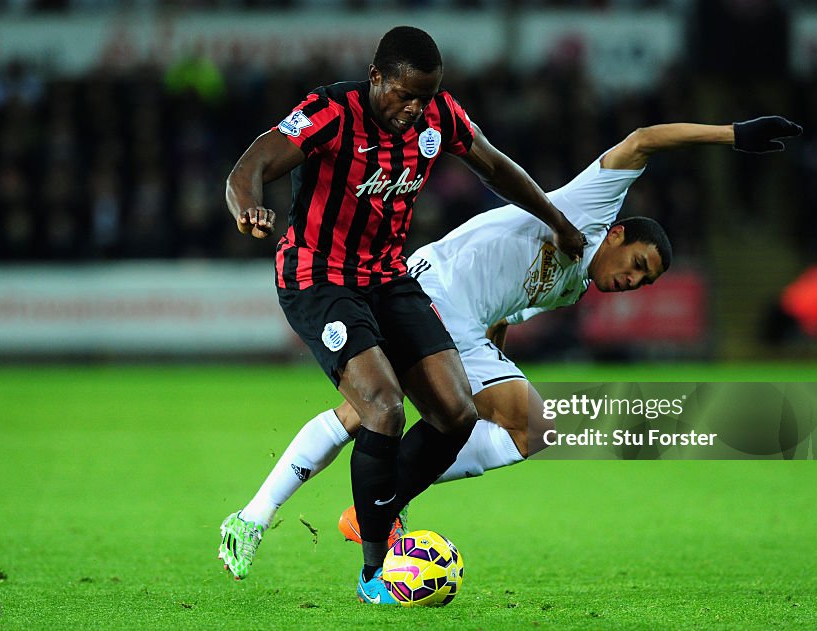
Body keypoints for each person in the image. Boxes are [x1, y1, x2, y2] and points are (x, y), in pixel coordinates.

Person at [223, 114, 803, 561]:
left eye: (644, 282)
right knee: (493, 421)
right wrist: (734, 134)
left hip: (463, 318)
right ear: (619, 233)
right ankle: (373, 507)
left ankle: (269, 514)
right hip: (432, 295)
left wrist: (495, 343)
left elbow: (509, 302)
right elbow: (645, 138)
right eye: (637, 264)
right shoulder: (590, 210)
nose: (631, 282)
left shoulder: (574, 290)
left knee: (379, 415)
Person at [219, 26, 586, 605]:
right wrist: (248, 208)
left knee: (456, 411)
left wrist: (557, 220)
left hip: (389, 278)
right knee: (383, 408)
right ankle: (374, 571)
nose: (413, 109)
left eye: (425, 97)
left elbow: (495, 166)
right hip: (320, 278)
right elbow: (254, 161)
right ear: (377, 78)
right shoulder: (332, 111)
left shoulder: (440, 118)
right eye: (404, 95)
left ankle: (379, 507)